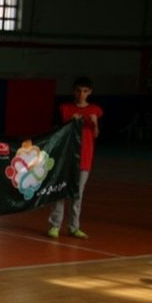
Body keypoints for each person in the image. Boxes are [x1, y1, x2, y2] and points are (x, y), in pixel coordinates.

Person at [48, 76, 102, 239]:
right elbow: (55, 133)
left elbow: (96, 135)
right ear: (73, 91)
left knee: (77, 194)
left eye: (85, 91)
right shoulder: (64, 109)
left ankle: (74, 227)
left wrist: (95, 123)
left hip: (84, 158)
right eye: (78, 91)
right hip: (65, 157)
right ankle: (55, 225)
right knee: (60, 191)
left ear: (90, 92)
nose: (81, 94)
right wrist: (69, 123)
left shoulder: (95, 110)